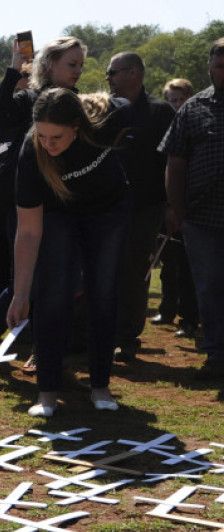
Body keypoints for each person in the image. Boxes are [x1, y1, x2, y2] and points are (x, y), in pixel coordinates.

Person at [7, 88, 131, 417]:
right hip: (58, 212)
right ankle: (47, 394)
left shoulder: (106, 123)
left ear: (77, 125)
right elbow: (29, 231)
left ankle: (100, 387)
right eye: (42, 135)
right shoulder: (31, 155)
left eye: (56, 136)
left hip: (109, 210)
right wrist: (20, 294)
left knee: (102, 292)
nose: (48, 143)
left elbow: (127, 104)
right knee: (52, 294)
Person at [0, 35, 87, 370]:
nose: (77, 71)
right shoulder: (29, 97)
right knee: (22, 277)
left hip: (62, 203)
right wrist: (15, 68)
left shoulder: (79, 105)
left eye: (80, 65)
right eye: (71, 64)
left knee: (58, 278)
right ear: (49, 65)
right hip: (19, 201)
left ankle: (41, 349)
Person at [105, 52, 175, 362]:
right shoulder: (104, 109)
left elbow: (172, 162)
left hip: (146, 206)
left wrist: (172, 205)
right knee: (103, 268)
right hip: (105, 205)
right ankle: (97, 332)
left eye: (113, 72)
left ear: (134, 74)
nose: (108, 78)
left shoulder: (161, 113)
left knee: (134, 269)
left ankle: (127, 337)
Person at [160, 38, 224, 378]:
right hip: (202, 216)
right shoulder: (193, 108)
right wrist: (176, 208)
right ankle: (216, 355)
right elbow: (175, 161)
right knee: (210, 283)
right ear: (209, 68)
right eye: (220, 65)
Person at [154, 78, 198, 337]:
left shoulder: (195, 122)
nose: (178, 105)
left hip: (193, 204)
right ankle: (167, 308)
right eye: (173, 101)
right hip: (166, 203)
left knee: (188, 264)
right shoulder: (163, 125)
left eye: (182, 100)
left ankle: (190, 317)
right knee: (169, 261)